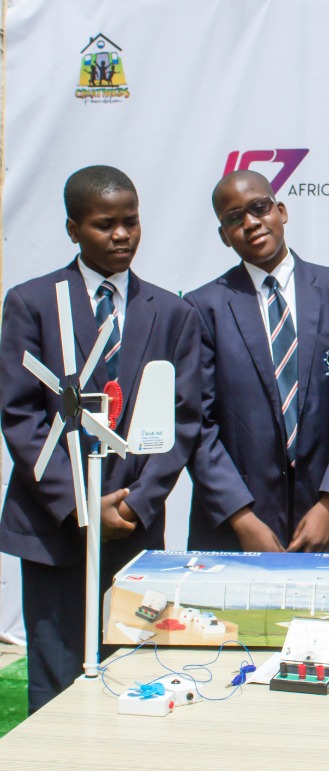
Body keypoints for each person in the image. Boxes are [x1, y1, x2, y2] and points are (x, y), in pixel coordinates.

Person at [0, 165, 200, 712]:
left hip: (133, 525)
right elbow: (20, 415)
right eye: (104, 224)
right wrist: (81, 504)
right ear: (73, 229)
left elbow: (183, 421)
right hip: (54, 527)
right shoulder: (33, 303)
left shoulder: (172, 313)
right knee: (56, 680)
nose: (121, 235)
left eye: (131, 222)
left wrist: (137, 503)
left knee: (134, 674)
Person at [184, 170, 329, 552]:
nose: (250, 223)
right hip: (238, 529)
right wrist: (241, 518)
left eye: (259, 207)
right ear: (223, 235)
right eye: (234, 218)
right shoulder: (203, 308)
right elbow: (197, 425)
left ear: (281, 211)